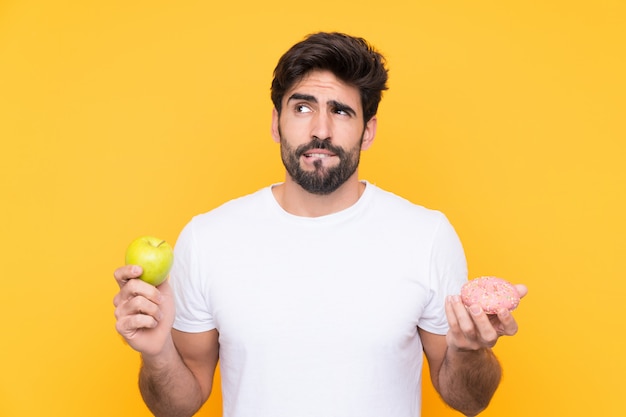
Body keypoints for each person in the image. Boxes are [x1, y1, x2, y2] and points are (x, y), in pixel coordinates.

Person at [113, 32, 527, 417]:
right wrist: (156, 353)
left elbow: (468, 401)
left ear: (368, 132)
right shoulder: (207, 238)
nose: (321, 130)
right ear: (277, 123)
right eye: (303, 107)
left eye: (342, 111)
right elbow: (177, 406)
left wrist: (471, 351)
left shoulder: (426, 235)